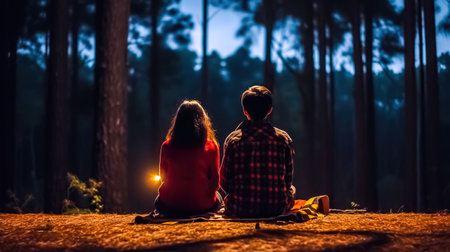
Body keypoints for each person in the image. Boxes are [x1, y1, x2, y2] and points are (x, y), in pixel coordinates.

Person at [220, 85, 295, 217]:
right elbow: (287, 182)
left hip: (240, 209)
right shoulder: (284, 139)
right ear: (270, 110)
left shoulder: (233, 140)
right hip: (277, 210)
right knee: (292, 190)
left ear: (245, 111)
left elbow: (224, 182)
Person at [155, 100, 223, 217]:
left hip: (171, 206)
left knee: (158, 201)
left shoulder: (166, 146)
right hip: (202, 206)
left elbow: (163, 178)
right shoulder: (212, 147)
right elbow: (216, 183)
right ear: (203, 122)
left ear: (178, 122)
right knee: (219, 198)